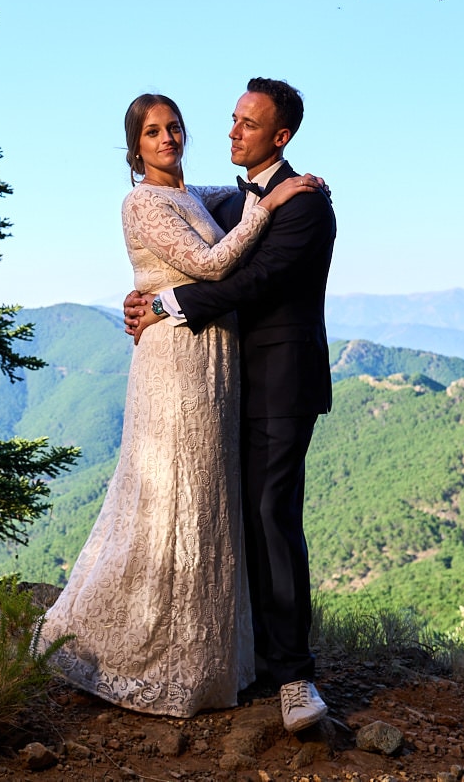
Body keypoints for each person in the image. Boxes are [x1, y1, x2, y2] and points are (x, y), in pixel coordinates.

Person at [39, 92, 320, 718]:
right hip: (177, 365)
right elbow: (210, 262)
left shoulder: (222, 198)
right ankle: (144, 646)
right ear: (134, 146)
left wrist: (158, 298)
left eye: (174, 127)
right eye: (152, 132)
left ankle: (232, 659)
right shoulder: (144, 200)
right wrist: (156, 299)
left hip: (234, 370)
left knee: (217, 506)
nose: (168, 138)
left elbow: (234, 217)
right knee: (172, 497)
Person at [124, 77, 336, 733]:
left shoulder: (302, 206)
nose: (231, 131)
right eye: (232, 119)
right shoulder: (242, 196)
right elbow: (184, 209)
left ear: (281, 136)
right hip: (221, 385)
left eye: (248, 124)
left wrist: (164, 304)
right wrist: (142, 288)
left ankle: (295, 677)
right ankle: (245, 657)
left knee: (273, 518)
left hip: (280, 384)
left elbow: (251, 278)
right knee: (234, 519)